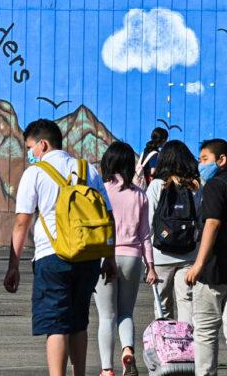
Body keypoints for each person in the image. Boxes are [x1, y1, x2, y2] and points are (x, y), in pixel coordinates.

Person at [3, 119, 116, 376]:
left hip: (51, 257)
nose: (30, 153)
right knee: (78, 323)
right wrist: (109, 258)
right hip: (88, 255)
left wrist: (13, 265)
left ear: (42, 144)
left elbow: (22, 222)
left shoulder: (35, 173)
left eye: (30, 147)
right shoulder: (88, 170)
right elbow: (108, 217)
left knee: (56, 325)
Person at [95, 141, 158, 376]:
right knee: (125, 312)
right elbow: (145, 235)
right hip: (133, 257)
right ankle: (127, 350)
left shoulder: (100, 192)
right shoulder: (139, 195)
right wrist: (150, 266)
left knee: (106, 316)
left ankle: (107, 369)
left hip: (104, 257)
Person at [185, 139, 227, 376]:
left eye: (204, 160)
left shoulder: (214, 185)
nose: (200, 165)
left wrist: (198, 265)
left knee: (205, 332)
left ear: (221, 160)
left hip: (214, 270)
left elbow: (212, 222)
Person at [147, 140, 200, 323]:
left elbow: (148, 223)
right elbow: (200, 221)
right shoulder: (195, 186)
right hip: (189, 255)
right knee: (187, 301)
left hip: (161, 254)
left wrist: (148, 261)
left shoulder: (157, 185)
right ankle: (187, 345)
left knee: (162, 303)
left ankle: (167, 346)